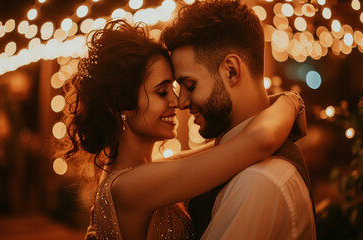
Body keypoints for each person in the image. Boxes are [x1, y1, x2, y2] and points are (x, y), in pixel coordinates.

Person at [60, 19, 304, 240]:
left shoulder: (147, 172)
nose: (177, 102)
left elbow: (229, 143)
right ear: (121, 105)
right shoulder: (131, 186)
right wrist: (293, 101)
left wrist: (272, 103)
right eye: (162, 91)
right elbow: (258, 141)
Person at [161, 0, 316, 239]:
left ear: (231, 71)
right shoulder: (234, 157)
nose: (181, 103)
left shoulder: (257, 183)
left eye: (190, 85)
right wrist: (290, 100)